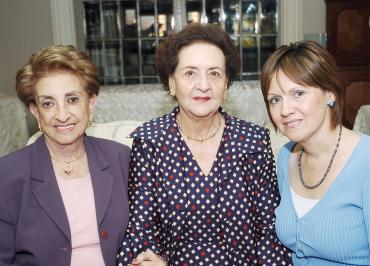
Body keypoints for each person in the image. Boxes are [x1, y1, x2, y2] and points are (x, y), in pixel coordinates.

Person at [117, 23, 292, 265]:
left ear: (226, 84)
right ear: (171, 82)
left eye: (214, 73)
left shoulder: (253, 142)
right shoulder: (149, 141)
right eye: (190, 73)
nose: (203, 85)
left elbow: (270, 233)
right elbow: (141, 229)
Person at [260, 41, 370, 265]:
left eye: (298, 93)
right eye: (275, 99)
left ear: (330, 94)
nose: (285, 110)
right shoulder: (286, 157)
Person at [0, 45, 131, 266]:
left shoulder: (121, 158)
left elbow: (146, 234)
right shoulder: (7, 175)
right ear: (35, 111)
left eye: (72, 99)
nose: (62, 115)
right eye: (48, 103)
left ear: (91, 103)